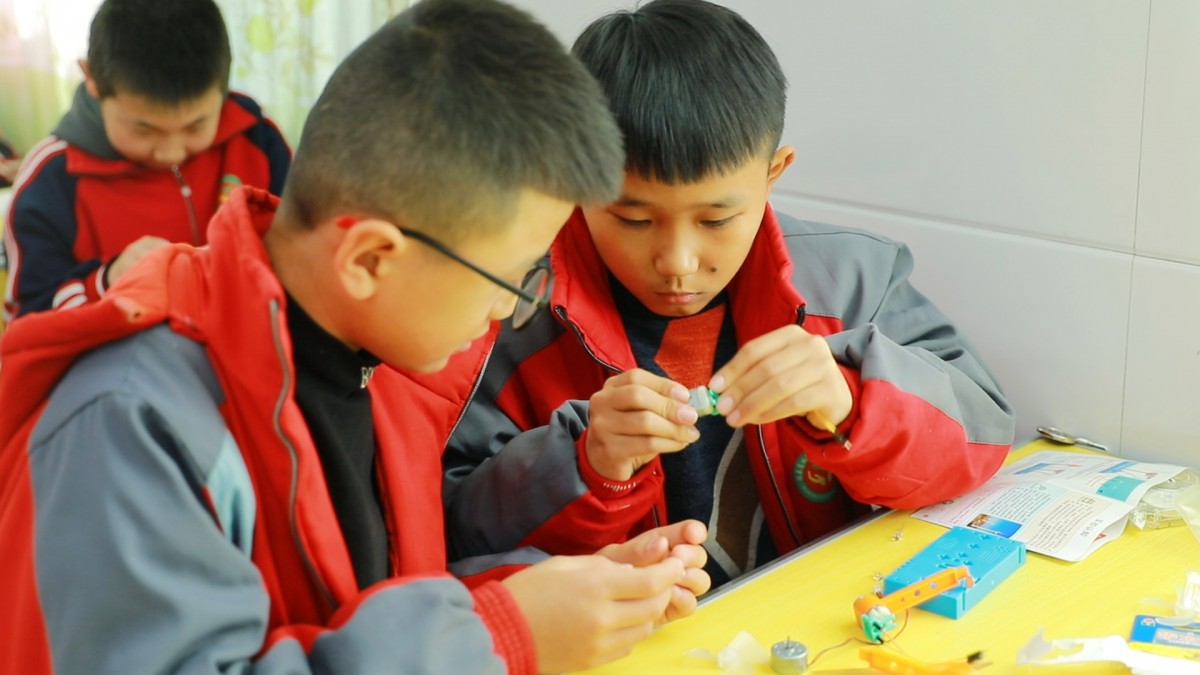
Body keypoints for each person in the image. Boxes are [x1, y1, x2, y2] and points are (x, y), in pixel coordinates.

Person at [0, 0, 709, 673]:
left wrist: (562, 593)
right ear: (368, 258)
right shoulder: (129, 421)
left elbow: (388, 575)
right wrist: (498, 635)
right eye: (511, 278)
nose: (506, 310)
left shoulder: (373, 351)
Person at [442, 0, 1016, 590]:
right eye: (633, 220)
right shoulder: (497, 316)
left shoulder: (852, 280)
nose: (677, 262)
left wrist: (850, 400)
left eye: (716, 220)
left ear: (774, 173)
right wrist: (586, 463)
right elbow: (453, 535)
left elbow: (984, 432)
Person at [2, 0, 290, 320]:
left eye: (196, 125)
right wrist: (107, 282)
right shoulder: (53, 178)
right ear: (92, 78)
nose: (171, 153)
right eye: (144, 129)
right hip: (123, 349)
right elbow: (26, 321)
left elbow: (303, 252)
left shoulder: (257, 136)